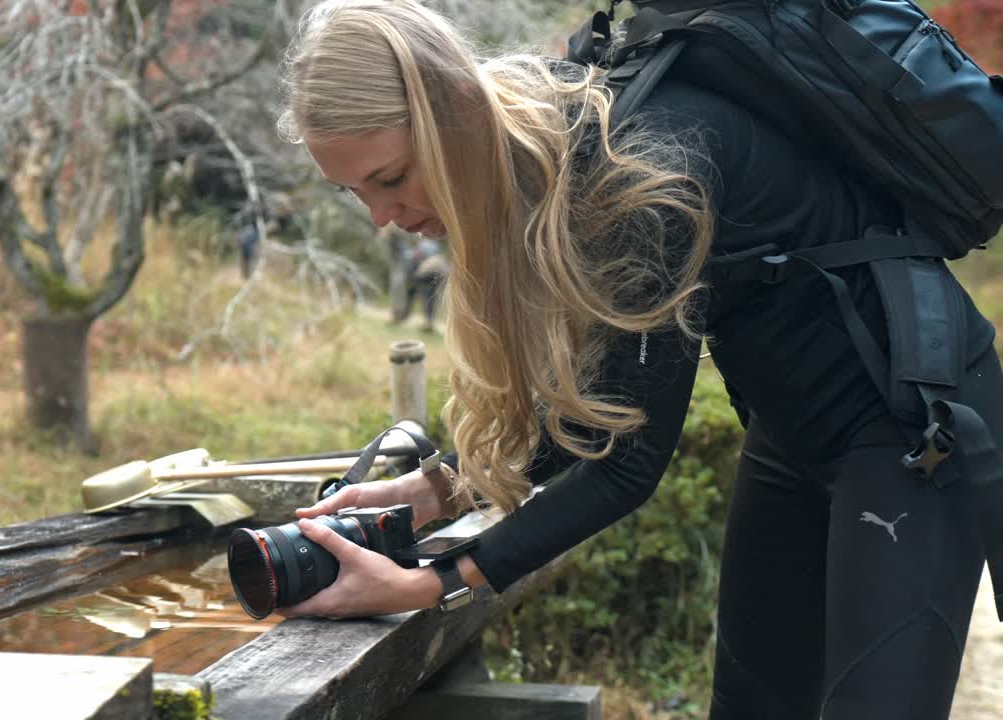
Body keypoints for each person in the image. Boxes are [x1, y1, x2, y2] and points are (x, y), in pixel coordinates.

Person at [273, 1, 1001, 718]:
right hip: (790, 436)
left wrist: (432, 584)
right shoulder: (546, 156)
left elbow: (625, 466)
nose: (380, 218)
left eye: (392, 177)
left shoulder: (636, 171)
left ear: (452, 106)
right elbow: (604, 409)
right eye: (355, 191)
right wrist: (446, 490)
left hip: (914, 428)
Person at [394, 235, 448, 331]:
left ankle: (411, 318)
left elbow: (415, 258)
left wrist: (414, 275)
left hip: (427, 272)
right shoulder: (435, 245)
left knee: (425, 296)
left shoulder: (421, 246)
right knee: (431, 297)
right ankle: (429, 321)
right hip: (439, 272)